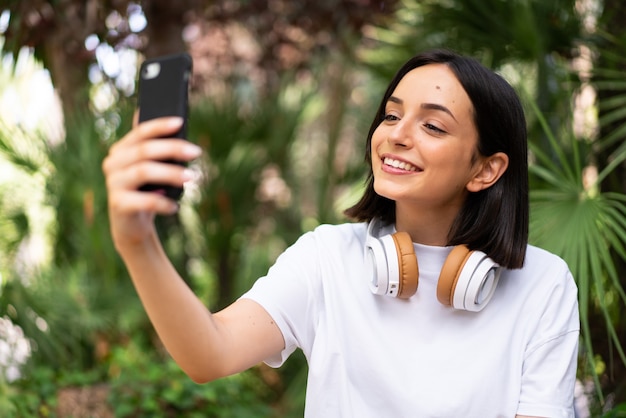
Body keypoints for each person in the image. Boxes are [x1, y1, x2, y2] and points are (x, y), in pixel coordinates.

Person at [103, 49, 579, 417]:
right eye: (392, 115)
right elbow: (209, 353)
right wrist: (136, 241)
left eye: (432, 125)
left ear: (486, 169)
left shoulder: (543, 284)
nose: (396, 133)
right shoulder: (326, 257)